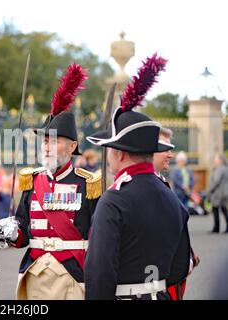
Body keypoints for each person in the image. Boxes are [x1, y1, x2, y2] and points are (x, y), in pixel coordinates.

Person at [84, 54, 191, 300]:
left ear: (120, 154)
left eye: (110, 149)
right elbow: (179, 267)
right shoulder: (170, 195)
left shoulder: (114, 200)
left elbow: (100, 272)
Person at [0, 63, 101, 300]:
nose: (46, 146)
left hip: (72, 274)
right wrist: (13, 234)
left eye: (54, 141)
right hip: (35, 273)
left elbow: (98, 237)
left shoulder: (88, 184)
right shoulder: (32, 181)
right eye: (44, 141)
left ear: (72, 146)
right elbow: (24, 232)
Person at [153, 127, 200, 300]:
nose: (170, 154)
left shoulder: (159, 180)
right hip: (157, 275)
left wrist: (188, 253)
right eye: (166, 148)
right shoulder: (150, 184)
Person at [207, 153, 228, 233]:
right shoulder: (225, 168)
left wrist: (209, 190)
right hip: (224, 192)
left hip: (218, 193)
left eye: (216, 159)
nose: (214, 160)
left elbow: (216, 181)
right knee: (224, 209)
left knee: (215, 209)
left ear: (220, 160)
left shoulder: (219, 169)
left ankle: (216, 228)